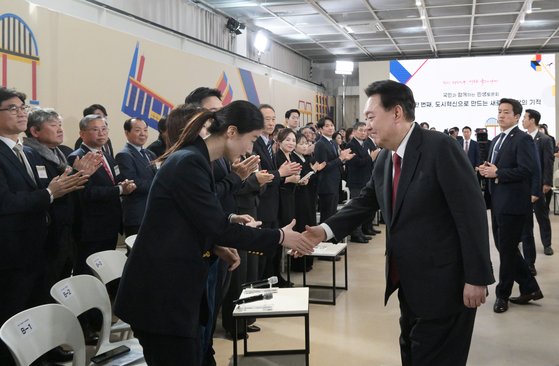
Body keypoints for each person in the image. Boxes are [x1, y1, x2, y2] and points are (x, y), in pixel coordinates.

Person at [304, 80, 494, 366]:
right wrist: (323, 230)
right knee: (412, 351)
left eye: (370, 117)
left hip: (446, 285)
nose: (366, 126)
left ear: (396, 113)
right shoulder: (386, 158)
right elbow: (365, 202)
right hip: (410, 283)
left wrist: (477, 277)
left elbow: (472, 214)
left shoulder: (439, 147)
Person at [114, 100, 315, 365]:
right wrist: (279, 237)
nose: (249, 149)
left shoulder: (196, 159)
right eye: (251, 139)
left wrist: (216, 245)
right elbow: (216, 226)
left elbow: (194, 221)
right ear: (231, 132)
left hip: (176, 290)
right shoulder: (189, 162)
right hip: (161, 296)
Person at [0, 88, 88, 366]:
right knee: (12, 315)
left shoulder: (24, 150)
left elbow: (45, 187)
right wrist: (50, 193)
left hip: (38, 246)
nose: (21, 112)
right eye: (12, 108)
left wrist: (73, 177)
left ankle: (37, 355)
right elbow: (6, 202)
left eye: (23, 107)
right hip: (10, 251)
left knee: (35, 307)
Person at [478, 98, 543, 314]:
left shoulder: (522, 139)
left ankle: (502, 295)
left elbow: (527, 169)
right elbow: (497, 167)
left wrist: (499, 173)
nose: (501, 115)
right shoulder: (497, 139)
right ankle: (530, 288)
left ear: (517, 116)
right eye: (499, 111)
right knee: (504, 247)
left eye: (506, 112)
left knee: (506, 251)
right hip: (497, 202)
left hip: (513, 203)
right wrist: (487, 169)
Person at [252, 104, 300, 285]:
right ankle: (265, 282)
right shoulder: (256, 144)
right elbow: (261, 177)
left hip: (273, 204)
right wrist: (282, 173)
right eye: (267, 119)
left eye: (273, 119)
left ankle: (273, 279)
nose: (271, 123)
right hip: (262, 204)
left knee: (272, 248)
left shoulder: (267, 143)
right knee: (264, 251)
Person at [520, 109, 554, 275]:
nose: (523, 121)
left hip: (540, 185)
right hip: (523, 186)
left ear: (532, 120)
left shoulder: (544, 139)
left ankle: (546, 243)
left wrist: (546, 182)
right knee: (526, 222)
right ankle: (528, 259)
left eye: (525, 118)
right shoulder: (522, 138)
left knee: (542, 215)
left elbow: (548, 161)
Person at [115, 118, 157, 237]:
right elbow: (133, 182)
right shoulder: (124, 155)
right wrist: (159, 185)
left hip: (152, 211)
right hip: (137, 214)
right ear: (127, 133)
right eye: (138, 130)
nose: (143, 133)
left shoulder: (150, 153)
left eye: (145, 130)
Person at [314, 117, 354, 224]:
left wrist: (343, 159)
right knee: (327, 216)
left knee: (332, 214)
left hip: (335, 183)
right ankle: (325, 239)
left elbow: (336, 162)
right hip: (326, 185)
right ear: (320, 129)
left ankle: (330, 238)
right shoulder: (320, 144)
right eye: (327, 126)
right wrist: (340, 158)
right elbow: (324, 166)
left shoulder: (332, 142)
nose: (330, 128)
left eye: (331, 125)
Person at [345, 122, 377, 243]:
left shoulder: (365, 144)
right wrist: (371, 157)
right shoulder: (350, 145)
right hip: (356, 181)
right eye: (360, 130)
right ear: (353, 132)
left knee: (363, 208)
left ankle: (362, 231)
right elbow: (356, 163)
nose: (363, 133)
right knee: (356, 208)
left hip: (365, 179)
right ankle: (355, 234)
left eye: (365, 130)